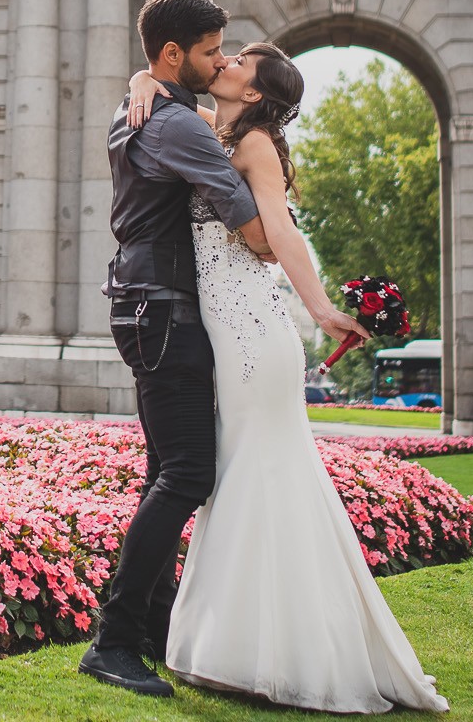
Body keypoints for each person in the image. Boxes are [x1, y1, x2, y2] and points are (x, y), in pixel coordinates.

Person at [122, 43, 449, 713]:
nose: (226, 60)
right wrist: (141, 79)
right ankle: (244, 645)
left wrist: (323, 308)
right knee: (239, 476)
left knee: (256, 475)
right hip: (221, 329)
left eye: (240, 60)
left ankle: (269, 651)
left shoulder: (255, 143)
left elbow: (281, 234)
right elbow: (164, 92)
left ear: (256, 92)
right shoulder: (211, 129)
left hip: (252, 333)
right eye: (223, 52)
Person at [77, 0, 277, 698]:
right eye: (211, 50)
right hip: (163, 310)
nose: (221, 60)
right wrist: (278, 215)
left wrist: (144, 79)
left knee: (167, 470)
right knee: (188, 473)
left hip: (145, 304)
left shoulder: (146, 107)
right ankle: (113, 641)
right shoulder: (180, 125)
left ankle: (150, 627)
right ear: (172, 53)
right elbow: (254, 227)